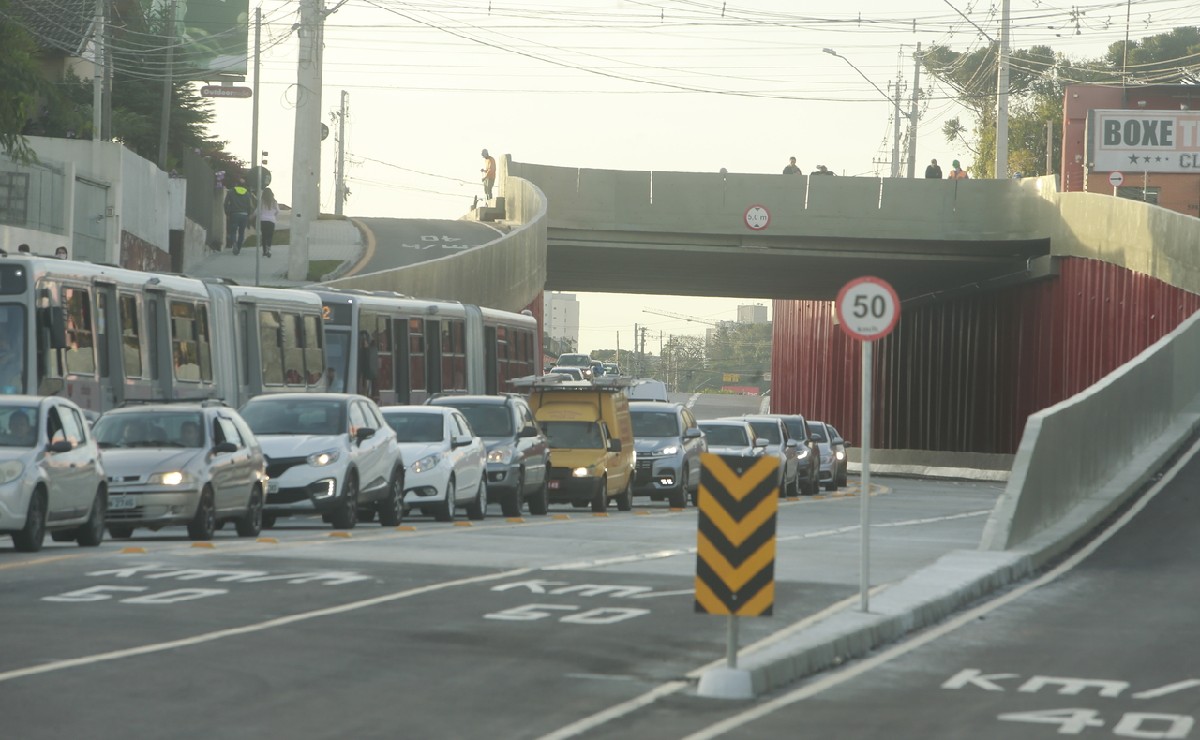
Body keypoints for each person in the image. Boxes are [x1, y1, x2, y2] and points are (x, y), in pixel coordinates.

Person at [224, 176, 255, 254]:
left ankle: (234, 243)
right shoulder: (247, 194)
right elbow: (249, 206)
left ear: (236, 184)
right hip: (244, 215)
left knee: (233, 231)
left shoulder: (230, 192)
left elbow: (225, 204)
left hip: (234, 214)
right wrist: (249, 214)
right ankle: (239, 247)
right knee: (241, 232)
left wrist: (227, 213)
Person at [253, 187, 280, 258]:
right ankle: (269, 249)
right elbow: (278, 211)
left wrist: (253, 215)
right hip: (271, 221)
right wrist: (273, 215)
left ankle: (264, 251)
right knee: (270, 236)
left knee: (264, 236)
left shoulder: (261, 201)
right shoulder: (274, 202)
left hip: (263, 220)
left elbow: (257, 211)